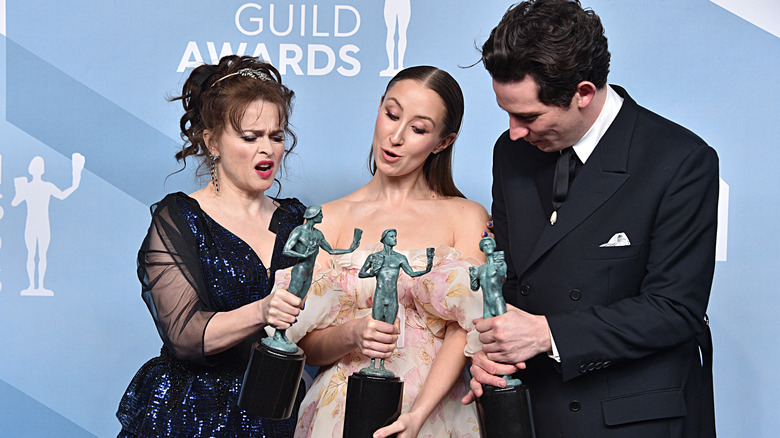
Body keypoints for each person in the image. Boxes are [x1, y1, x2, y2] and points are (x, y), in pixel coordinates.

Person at [462, 1, 719, 437]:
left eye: (528, 116)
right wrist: (489, 350)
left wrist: (547, 334)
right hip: (529, 413)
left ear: (582, 92)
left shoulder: (680, 160)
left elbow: (676, 309)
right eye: (506, 112)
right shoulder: (510, 154)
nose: (513, 131)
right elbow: (506, 278)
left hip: (631, 420)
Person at [276, 66, 490, 437]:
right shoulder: (330, 217)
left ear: (443, 141)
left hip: (437, 412)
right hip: (341, 409)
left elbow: (467, 331)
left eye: (419, 129)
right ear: (378, 108)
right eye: (391, 114)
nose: (396, 136)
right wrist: (353, 334)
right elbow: (306, 346)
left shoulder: (466, 216)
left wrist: (418, 415)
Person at [116, 55, 307, 437]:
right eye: (250, 137)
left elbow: (316, 327)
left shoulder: (297, 220)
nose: (266, 149)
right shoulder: (180, 217)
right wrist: (263, 310)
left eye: (276, 135)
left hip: (276, 409)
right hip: (192, 410)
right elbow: (185, 335)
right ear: (212, 141)